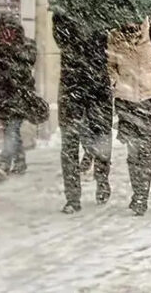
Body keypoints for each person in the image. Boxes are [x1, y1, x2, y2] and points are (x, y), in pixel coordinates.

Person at [106, 16, 151, 215]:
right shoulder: (115, 36)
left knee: (143, 146)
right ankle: (137, 189)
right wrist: (115, 81)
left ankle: (141, 197)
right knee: (132, 148)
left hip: (150, 99)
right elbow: (110, 65)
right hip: (125, 100)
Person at [54, 11, 113, 214]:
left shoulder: (105, 12)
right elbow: (60, 40)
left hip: (97, 89)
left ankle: (102, 179)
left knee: (102, 137)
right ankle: (72, 197)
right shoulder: (63, 14)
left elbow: (110, 47)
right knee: (69, 144)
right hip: (72, 89)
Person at [0, 14, 38, 181]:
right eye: (3, 30)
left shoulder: (27, 45)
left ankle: (4, 163)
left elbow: (27, 64)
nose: (7, 34)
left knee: (11, 130)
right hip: (2, 96)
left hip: (20, 96)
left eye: (10, 30)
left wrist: (10, 58)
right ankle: (20, 161)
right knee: (11, 131)